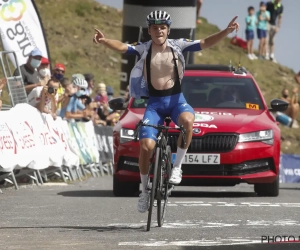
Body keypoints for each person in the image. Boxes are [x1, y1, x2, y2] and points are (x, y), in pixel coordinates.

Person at [93, 10, 239, 213]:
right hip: (154, 105)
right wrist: (105, 41)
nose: (159, 31)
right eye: (155, 28)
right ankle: (144, 191)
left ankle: (177, 167)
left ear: (168, 30)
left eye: (162, 27)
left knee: (188, 121)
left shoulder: (178, 45)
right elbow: (123, 47)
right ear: (149, 31)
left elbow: (205, 42)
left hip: (176, 101)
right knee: (146, 146)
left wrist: (225, 32)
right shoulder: (144, 49)